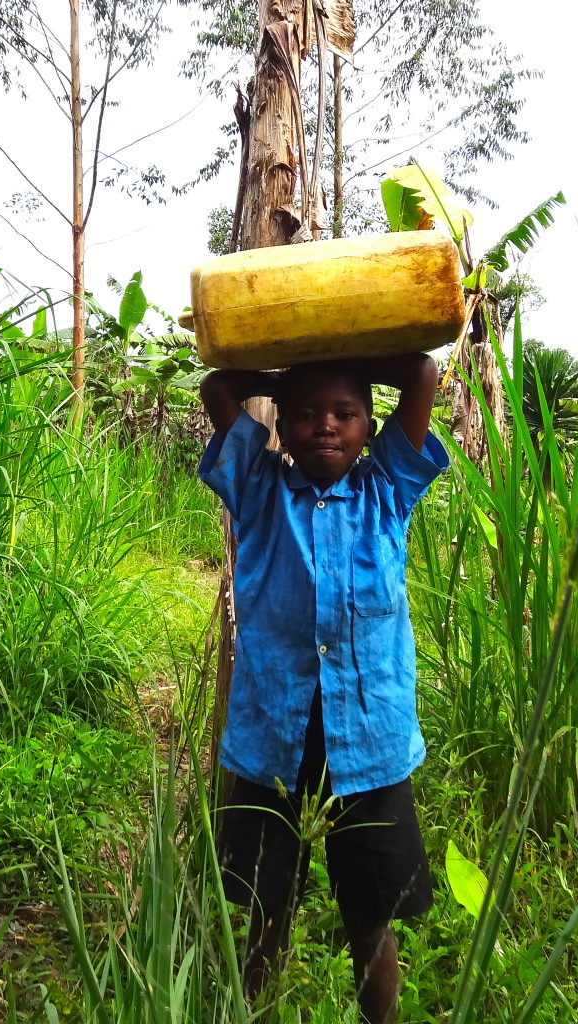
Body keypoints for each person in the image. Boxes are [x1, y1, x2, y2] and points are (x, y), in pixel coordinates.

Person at [199, 353, 448, 1024]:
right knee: (263, 905)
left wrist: (344, 359)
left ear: (371, 426)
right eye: (304, 416)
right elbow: (217, 387)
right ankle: (255, 1011)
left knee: (370, 916)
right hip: (272, 737)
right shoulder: (256, 486)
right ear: (278, 424)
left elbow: (422, 373)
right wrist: (285, 381)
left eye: (344, 414)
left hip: (366, 743)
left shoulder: (387, 489)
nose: (324, 428)